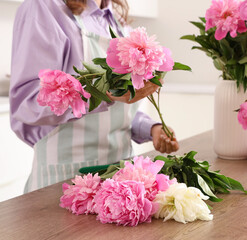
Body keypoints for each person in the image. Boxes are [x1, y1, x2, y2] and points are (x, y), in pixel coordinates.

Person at [10, 0, 179, 192]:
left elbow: (119, 110)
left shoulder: (117, 22)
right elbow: (27, 103)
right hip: (63, 181)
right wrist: (102, 93)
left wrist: (151, 129)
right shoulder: (42, 9)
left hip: (119, 182)